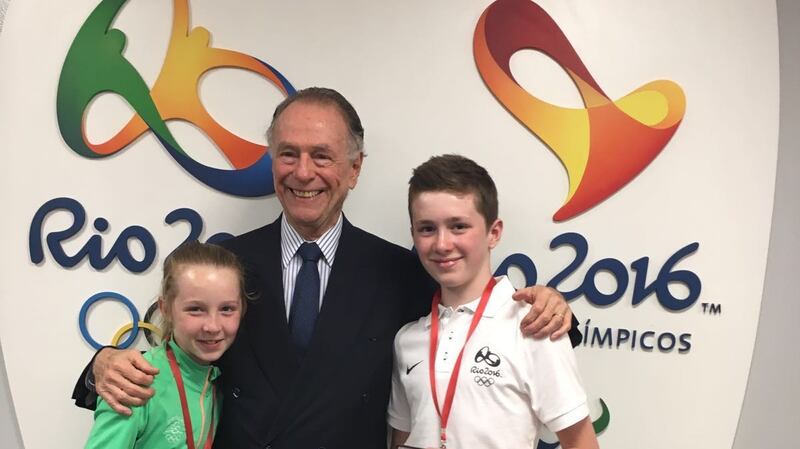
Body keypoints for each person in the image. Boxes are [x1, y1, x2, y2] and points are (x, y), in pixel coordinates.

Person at [73, 88, 579, 449]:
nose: (303, 172)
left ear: (354, 169)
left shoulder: (401, 271)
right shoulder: (228, 263)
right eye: (288, 154)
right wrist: (102, 365)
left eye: (322, 156)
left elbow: (475, 318)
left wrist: (555, 309)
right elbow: (169, 351)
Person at [389, 155, 598, 449]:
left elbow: (581, 443)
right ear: (413, 234)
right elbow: (402, 438)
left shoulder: (534, 326)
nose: (442, 244)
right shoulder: (407, 340)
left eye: (458, 226)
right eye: (427, 229)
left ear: (494, 233)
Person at [84, 241, 248, 449]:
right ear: (166, 309)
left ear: (242, 309)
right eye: (196, 309)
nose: (213, 326)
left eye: (227, 309)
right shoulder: (133, 381)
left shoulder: (218, 380)